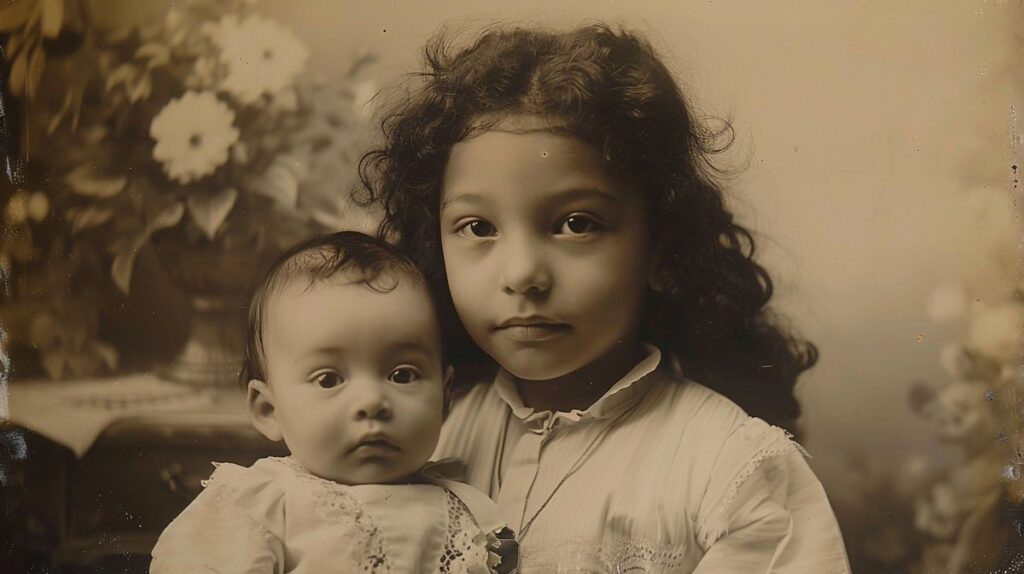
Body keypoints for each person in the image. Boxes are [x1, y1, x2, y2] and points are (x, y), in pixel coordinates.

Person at [360, 24, 851, 572]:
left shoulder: (732, 470)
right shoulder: (412, 431)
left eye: (576, 223)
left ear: (661, 250)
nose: (522, 275)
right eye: (478, 227)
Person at [150, 231, 517, 574]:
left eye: (402, 375)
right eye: (329, 379)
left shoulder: (463, 503)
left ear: (444, 397)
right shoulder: (265, 503)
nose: (372, 402)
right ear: (268, 409)